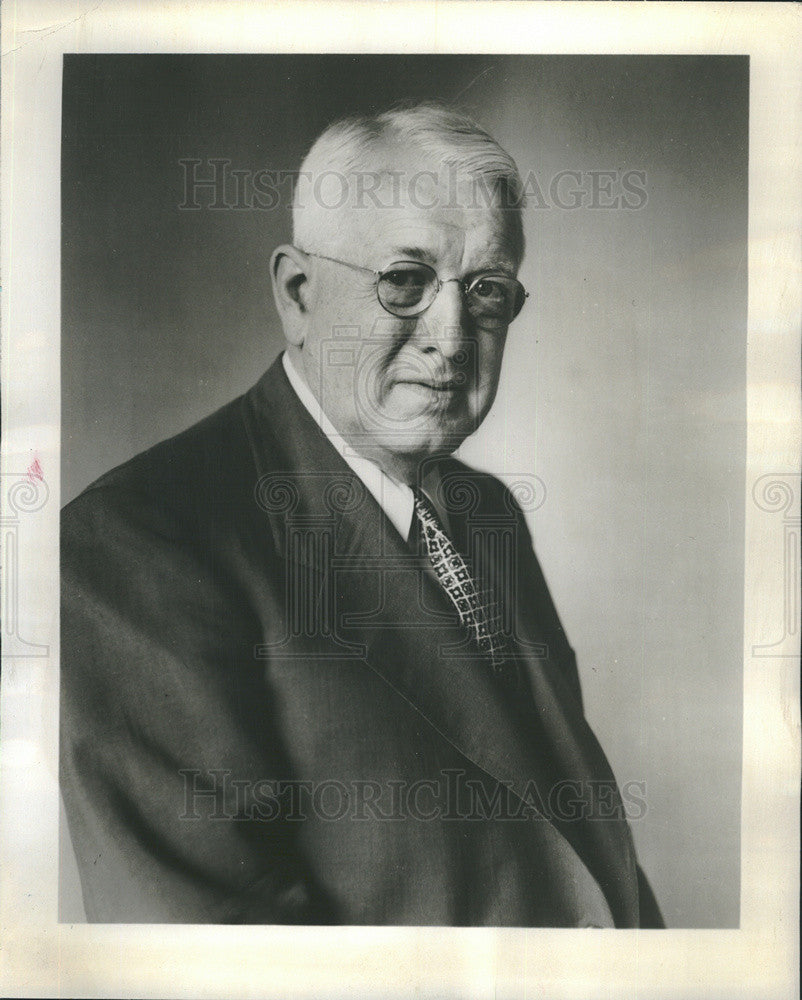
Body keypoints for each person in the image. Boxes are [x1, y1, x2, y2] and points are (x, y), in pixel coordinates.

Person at [60, 103, 663, 927]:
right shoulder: (139, 543)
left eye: (486, 290)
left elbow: (579, 835)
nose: (451, 339)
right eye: (404, 281)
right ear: (299, 294)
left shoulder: (482, 511)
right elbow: (207, 958)